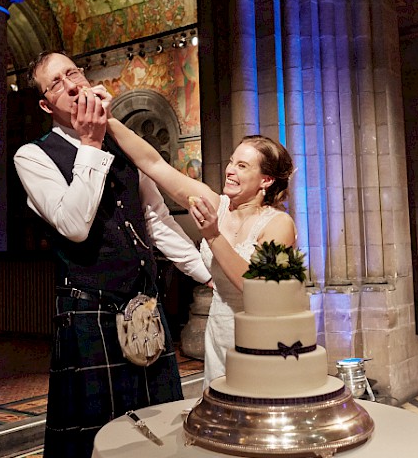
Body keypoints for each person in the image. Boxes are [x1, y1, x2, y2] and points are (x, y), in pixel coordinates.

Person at [13, 51, 211, 458]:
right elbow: (75, 224)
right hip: (89, 306)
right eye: (57, 83)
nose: (72, 85)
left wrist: (207, 273)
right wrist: (89, 146)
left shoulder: (125, 143)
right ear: (46, 104)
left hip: (143, 302)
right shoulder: (33, 156)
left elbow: (155, 221)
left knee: (159, 422)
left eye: (74, 73)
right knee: (103, 440)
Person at [104, 112, 297, 389]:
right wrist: (108, 119)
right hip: (219, 330)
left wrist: (213, 235)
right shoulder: (215, 203)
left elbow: (254, 285)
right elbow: (154, 164)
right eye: (231, 161)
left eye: (242, 166)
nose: (230, 170)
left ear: (265, 180)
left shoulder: (279, 224)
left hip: (261, 336)